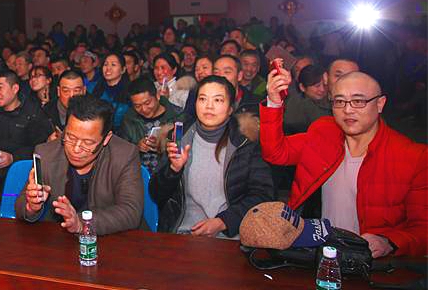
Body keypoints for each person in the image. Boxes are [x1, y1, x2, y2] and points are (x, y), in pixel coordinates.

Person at [261, 65, 427, 257]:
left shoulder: (413, 157)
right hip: (317, 252)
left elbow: (423, 229)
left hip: (373, 262)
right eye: (339, 101)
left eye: (358, 101)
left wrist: (389, 242)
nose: (348, 110)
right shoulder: (323, 132)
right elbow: (276, 153)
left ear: (380, 104)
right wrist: (274, 102)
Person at [150, 76, 273, 236]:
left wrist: (224, 222)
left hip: (229, 237)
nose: (209, 106)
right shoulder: (178, 138)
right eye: (202, 99)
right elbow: (156, 194)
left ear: (230, 108)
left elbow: (263, 195)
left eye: (218, 100)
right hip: (183, 234)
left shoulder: (245, 143)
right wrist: (173, 170)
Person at [16, 95, 143, 235]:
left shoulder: (125, 155)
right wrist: (32, 206)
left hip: (112, 238)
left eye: (87, 143)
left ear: (106, 138)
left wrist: (82, 223)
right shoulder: (46, 153)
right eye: (70, 137)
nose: (76, 149)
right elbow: (21, 206)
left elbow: (131, 211)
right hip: (60, 238)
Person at [0, 70, 53, 206]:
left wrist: (13, 157)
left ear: (15, 88)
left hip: (20, 174)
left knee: (5, 204)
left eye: (0, 88)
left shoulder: (32, 113)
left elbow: (40, 147)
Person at [119, 77, 183, 174]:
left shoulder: (176, 116)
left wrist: (164, 145)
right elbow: (121, 152)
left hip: (168, 175)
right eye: (137, 106)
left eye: (147, 103)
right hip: (138, 175)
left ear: (157, 95)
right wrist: (137, 147)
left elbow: (184, 149)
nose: (144, 109)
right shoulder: (129, 119)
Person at [283, 65, 330, 135]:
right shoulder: (295, 105)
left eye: (325, 85)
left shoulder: (332, 100)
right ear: (302, 87)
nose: (322, 89)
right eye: (317, 86)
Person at [92, 53, 130, 130]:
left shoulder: (130, 92)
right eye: (105, 64)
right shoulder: (93, 88)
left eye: (113, 65)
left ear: (123, 70)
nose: (108, 68)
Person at [43, 70, 86, 137]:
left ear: (84, 91)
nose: (71, 95)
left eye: (76, 91)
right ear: (58, 91)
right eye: (66, 91)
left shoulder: (95, 112)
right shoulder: (45, 112)